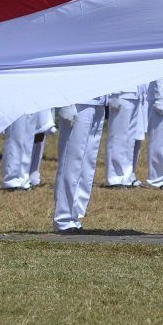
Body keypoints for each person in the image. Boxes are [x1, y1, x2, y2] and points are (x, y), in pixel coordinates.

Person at [53, 98, 106, 233]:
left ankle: (73, 216)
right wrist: (67, 102)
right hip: (79, 101)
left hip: (98, 100)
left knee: (86, 163)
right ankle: (63, 218)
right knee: (71, 160)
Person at [104, 85, 144, 188]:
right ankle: (114, 178)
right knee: (118, 138)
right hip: (121, 93)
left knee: (129, 141)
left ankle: (125, 176)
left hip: (135, 93)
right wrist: (114, 93)